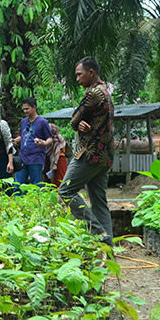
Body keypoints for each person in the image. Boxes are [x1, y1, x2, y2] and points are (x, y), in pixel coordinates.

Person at [59, 56, 115, 246]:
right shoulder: (106, 93)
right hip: (104, 157)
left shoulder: (92, 94)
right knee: (100, 203)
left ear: (91, 73)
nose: (77, 79)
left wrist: (81, 124)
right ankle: (108, 251)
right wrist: (88, 126)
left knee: (66, 191)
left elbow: (74, 120)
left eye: (79, 74)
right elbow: (101, 125)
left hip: (89, 154)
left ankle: (98, 233)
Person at [13, 97, 53, 188]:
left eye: (27, 109)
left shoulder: (43, 122)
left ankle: (36, 201)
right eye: (24, 109)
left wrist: (44, 143)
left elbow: (50, 138)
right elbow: (22, 135)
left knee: (36, 183)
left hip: (36, 157)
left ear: (34, 107)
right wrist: (15, 140)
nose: (25, 111)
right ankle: (17, 201)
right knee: (18, 184)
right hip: (23, 156)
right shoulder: (23, 121)